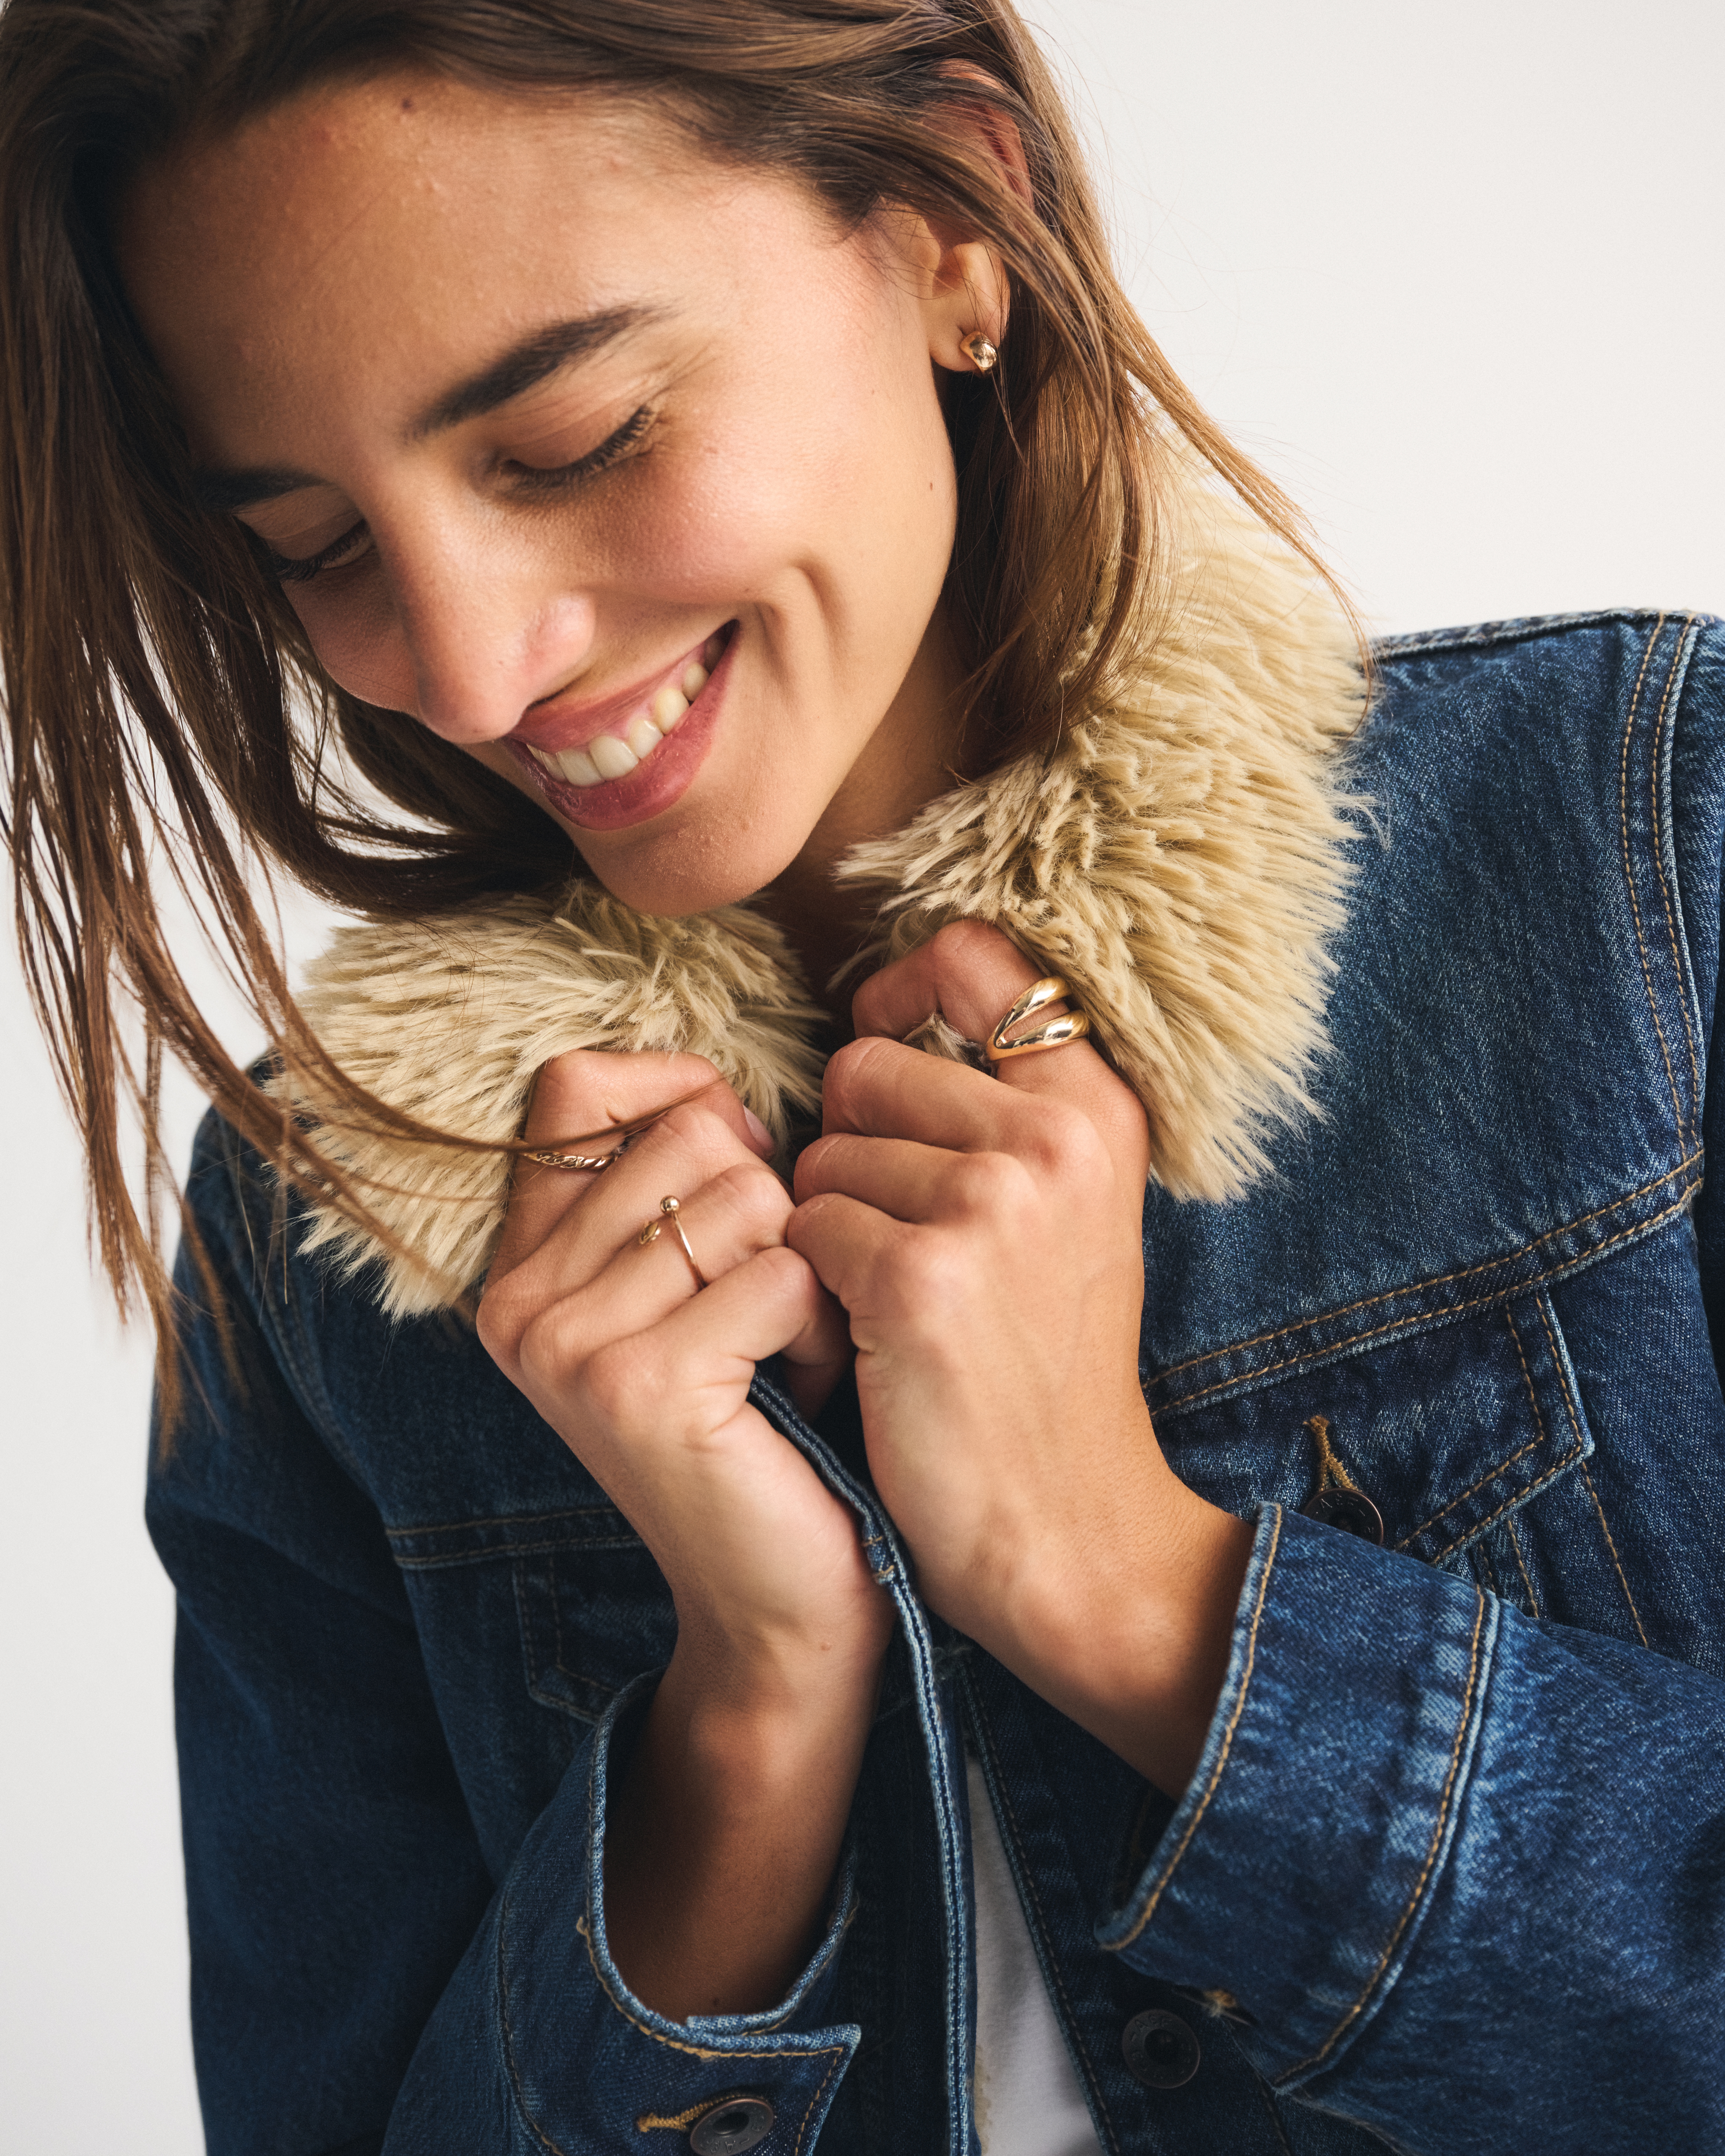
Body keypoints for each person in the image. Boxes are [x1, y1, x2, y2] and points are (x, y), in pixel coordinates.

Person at [2, 2, 1721, 2151]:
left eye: (576, 435)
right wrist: (745, 1721)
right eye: (316, 546)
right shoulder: (320, 1247)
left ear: (956, 224)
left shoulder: (1646, 864)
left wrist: (1128, 1582)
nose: (460, 662)